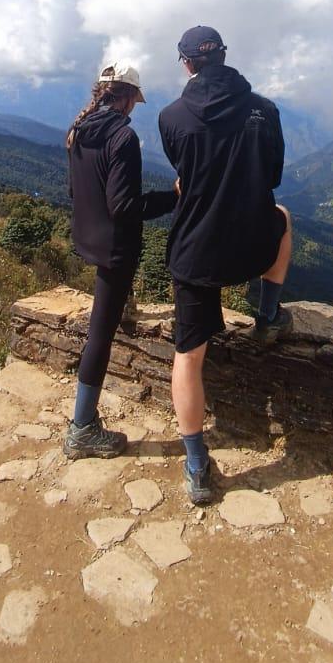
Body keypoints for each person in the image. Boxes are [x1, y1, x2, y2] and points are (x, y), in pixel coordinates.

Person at [158, 26, 292, 504]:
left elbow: (185, 175)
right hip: (251, 240)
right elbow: (272, 175)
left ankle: (196, 465)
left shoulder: (170, 116)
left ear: (187, 63)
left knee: (188, 356)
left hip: (197, 249)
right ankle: (269, 314)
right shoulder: (265, 110)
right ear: (223, 58)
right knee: (283, 217)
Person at [63, 62, 178, 460]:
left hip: (87, 235)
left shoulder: (79, 129)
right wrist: (173, 197)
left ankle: (126, 305)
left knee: (109, 310)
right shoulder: (123, 137)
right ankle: (82, 428)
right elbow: (125, 206)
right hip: (115, 246)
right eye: (135, 100)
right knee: (100, 332)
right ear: (128, 98)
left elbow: (77, 189)